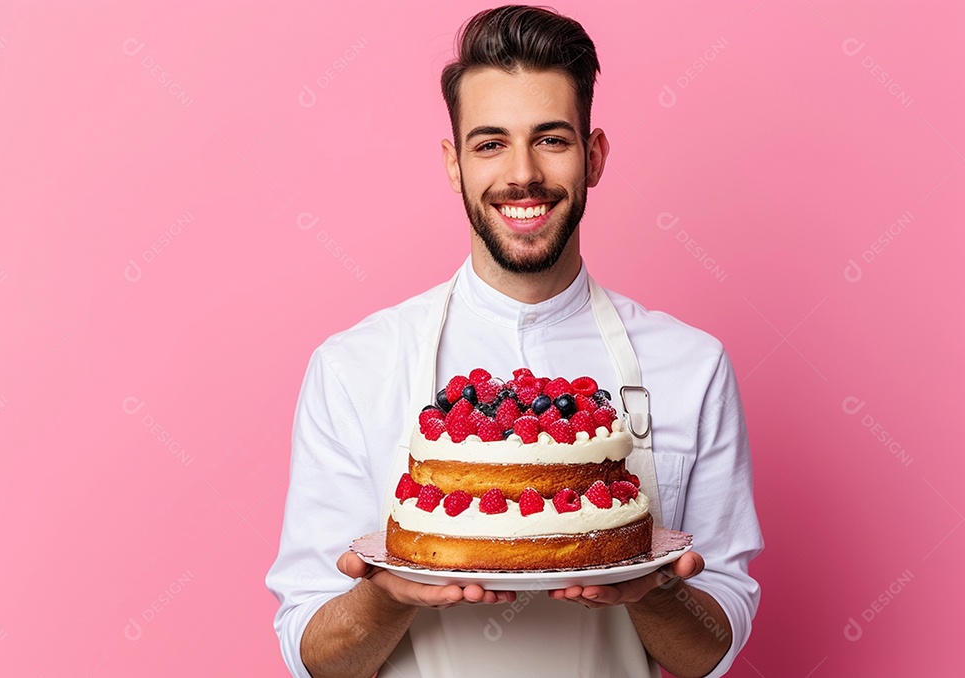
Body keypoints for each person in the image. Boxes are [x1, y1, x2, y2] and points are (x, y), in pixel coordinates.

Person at [266, 6, 762, 677]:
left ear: (594, 156)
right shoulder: (354, 367)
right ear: (454, 165)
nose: (522, 174)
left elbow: (712, 648)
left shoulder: (692, 366)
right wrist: (386, 596)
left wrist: (654, 588)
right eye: (490, 144)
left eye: (551, 139)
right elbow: (311, 650)